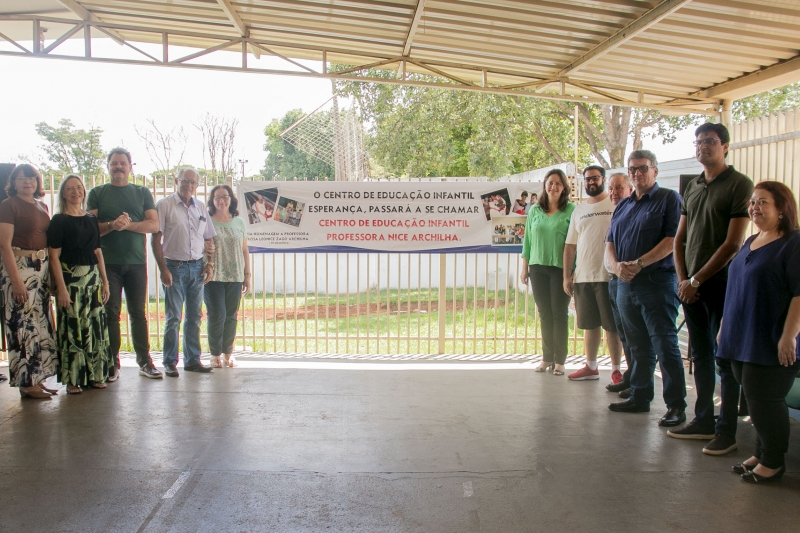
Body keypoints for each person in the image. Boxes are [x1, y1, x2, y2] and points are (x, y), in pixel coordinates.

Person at [668, 123, 753, 455]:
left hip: (719, 285)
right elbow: (680, 238)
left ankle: (726, 431)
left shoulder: (738, 184)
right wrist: (682, 280)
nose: (704, 147)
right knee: (700, 355)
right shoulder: (693, 185)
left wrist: (697, 280)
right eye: (699, 142)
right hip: (689, 287)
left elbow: (733, 243)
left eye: (711, 142)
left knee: (724, 358)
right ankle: (702, 421)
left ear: (725, 146)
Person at [717, 181, 800, 483]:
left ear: (782, 208)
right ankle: (761, 451)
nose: (755, 208)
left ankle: (774, 461)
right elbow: (735, 288)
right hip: (741, 334)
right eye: (753, 202)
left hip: (771, 336)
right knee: (752, 398)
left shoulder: (793, 242)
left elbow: (799, 294)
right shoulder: (752, 240)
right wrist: (726, 325)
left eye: (763, 202)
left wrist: (789, 335)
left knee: (765, 398)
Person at [606, 150, 687, 427]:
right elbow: (610, 244)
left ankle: (676, 405)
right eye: (632, 169)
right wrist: (616, 267)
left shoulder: (669, 199)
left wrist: (640, 263)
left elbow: (672, 240)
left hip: (657, 282)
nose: (637, 173)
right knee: (637, 346)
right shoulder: (623, 206)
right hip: (626, 284)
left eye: (642, 168)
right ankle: (640, 397)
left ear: (655, 171)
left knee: (665, 344)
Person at [87, 148, 162, 380]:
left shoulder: (141, 192)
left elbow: (153, 225)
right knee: (111, 314)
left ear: (130, 166)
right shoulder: (97, 193)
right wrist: (111, 225)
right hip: (107, 264)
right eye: (114, 163)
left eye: (122, 163)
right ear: (108, 166)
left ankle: (145, 362)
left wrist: (127, 225)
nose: (118, 167)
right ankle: (112, 363)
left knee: (138, 314)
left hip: (136, 264)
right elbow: (88, 229)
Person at [47, 175, 113, 394]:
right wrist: (61, 288)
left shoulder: (90, 219)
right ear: (63, 193)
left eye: (79, 187)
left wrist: (105, 282)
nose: (75, 192)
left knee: (94, 327)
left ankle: (96, 374)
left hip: (93, 278)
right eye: (69, 188)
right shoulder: (59, 220)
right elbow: (54, 256)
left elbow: (98, 251)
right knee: (74, 328)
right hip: (71, 280)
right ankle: (73, 379)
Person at [0, 164, 57, 399]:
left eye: (32, 178)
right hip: (20, 267)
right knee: (21, 325)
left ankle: (37, 377)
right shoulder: (8, 206)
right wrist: (16, 281)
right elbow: (4, 244)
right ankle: (25, 382)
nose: (27, 182)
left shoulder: (41, 206)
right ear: (13, 182)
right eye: (22, 178)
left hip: (40, 268)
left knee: (39, 324)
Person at [152, 168, 216, 377]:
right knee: (173, 318)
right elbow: (156, 239)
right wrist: (163, 269)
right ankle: (170, 362)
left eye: (193, 183)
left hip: (197, 268)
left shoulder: (200, 208)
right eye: (186, 181)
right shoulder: (164, 205)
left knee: (194, 317)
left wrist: (210, 264)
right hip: (174, 268)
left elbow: (208, 239)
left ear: (197, 186)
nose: (189, 185)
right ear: (176, 181)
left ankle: (192, 360)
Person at [563, 165, 623, 383]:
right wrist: (567, 275)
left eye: (595, 178)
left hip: (609, 276)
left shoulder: (616, 204)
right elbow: (570, 245)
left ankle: (616, 369)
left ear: (603, 180)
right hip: (584, 276)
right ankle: (591, 366)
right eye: (587, 179)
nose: (590, 182)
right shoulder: (578, 210)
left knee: (612, 326)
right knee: (589, 325)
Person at [520, 169, 576, 375]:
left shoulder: (571, 210)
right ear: (545, 185)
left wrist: (570, 273)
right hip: (537, 267)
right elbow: (527, 241)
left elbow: (575, 243)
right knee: (545, 314)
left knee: (559, 313)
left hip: (561, 269)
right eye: (550, 183)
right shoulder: (535, 210)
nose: (553, 187)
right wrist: (524, 268)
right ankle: (546, 358)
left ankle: (560, 361)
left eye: (558, 184)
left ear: (564, 188)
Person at [205, 185, 250, 368]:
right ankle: (215, 354)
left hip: (235, 275)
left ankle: (228, 353)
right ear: (212, 200)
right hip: (213, 275)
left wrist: (247, 275)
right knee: (217, 315)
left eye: (225, 196)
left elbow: (245, 249)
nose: (221, 200)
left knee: (231, 315)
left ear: (231, 199)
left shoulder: (239, 222)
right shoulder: (207, 220)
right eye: (217, 197)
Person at [605, 172, 635, 394]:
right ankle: (631, 376)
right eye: (611, 188)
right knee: (623, 333)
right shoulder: (618, 212)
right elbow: (610, 244)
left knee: (635, 336)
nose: (614, 192)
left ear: (629, 190)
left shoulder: (634, 210)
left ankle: (638, 382)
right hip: (614, 280)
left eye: (619, 188)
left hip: (629, 281)